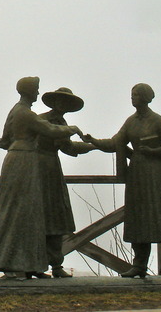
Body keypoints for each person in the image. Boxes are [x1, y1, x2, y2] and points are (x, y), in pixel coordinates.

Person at [0, 76, 83, 279]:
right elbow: (49, 130)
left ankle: (28, 264)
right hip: (25, 162)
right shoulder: (26, 113)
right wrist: (73, 129)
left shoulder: (16, 112)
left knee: (25, 213)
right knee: (18, 211)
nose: (38, 93)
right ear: (28, 91)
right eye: (36, 89)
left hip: (19, 159)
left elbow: (3, 140)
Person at [84, 83, 161, 278]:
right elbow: (115, 142)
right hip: (138, 176)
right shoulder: (131, 122)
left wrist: (155, 151)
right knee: (138, 219)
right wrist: (93, 140)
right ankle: (139, 265)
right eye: (131, 94)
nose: (132, 98)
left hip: (159, 175)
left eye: (135, 94)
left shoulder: (157, 120)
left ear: (145, 97)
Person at [38, 87, 94, 278]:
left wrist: (92, 145)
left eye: (67, 103)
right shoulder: (41, 120)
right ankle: (34, 265)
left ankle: (55, 265)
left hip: (53, 171)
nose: (63, 106)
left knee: (56, 217)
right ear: (54, 102)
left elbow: (68, 148)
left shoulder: (62, 122)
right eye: (60, 101)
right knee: (38, 217)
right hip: (38, 171)